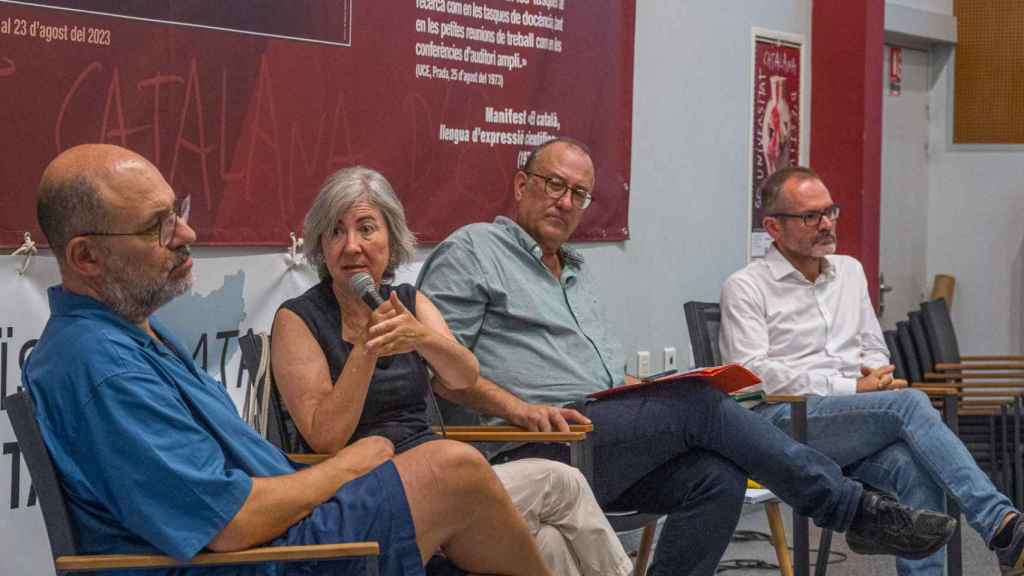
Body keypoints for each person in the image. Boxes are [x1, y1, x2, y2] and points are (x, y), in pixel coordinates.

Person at [416, 137, 957, 576]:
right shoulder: (473, 250)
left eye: (579, 194)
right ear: (521, 184)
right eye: (554, 184)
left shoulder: (577, 274)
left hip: (599, 436)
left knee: (715, 474)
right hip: (534, 446)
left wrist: (650, 387)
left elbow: (598, 374)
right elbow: (438, 370)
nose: (565, 201)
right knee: (697, 405)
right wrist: (517, 410)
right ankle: (848, 508)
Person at [22, 143, 556, 576]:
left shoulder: (134, 330)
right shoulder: (98, 366)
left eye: (177, 213)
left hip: (283, 532)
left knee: (527, 501)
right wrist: (352, 463)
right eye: (157, 227)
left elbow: (461, 377)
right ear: (86, 257)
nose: (187, 235)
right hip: (262, 559)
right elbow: (229, 522)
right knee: (454, 469)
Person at [271, 165, 632, 576]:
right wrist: (365, 350)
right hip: (369, 491)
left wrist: (422, 338)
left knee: (548, 538)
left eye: (366, 229)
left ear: (391, 238)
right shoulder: (297, 319)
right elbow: (324, 437)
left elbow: (463, 377)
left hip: (446, 478)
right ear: (321, 243)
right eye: (336, 232)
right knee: (560, 484)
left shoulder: (408, 300)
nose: (351, 245)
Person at [719, 165, 1024, 576]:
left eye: (830, 211)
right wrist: (850, 386)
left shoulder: (848, 271)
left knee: (914, 466)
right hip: (780, 422)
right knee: (909, 405)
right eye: (811, 217)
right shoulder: (746, 286)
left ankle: (983, 547)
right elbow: (751, 374)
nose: (826, 224)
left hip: (847, 421)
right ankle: (1004, 528)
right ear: (773, 226)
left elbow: (870, 344)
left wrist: (877, 375)